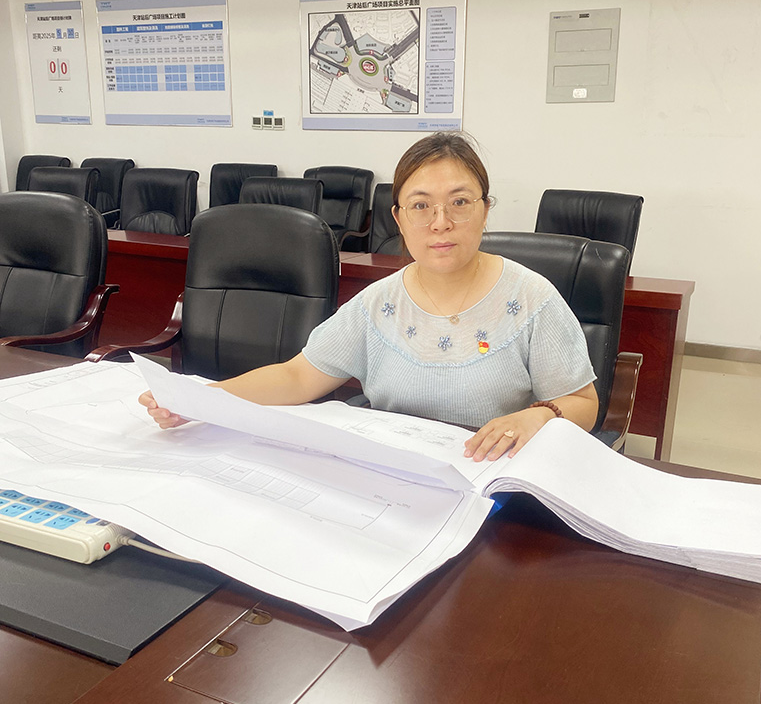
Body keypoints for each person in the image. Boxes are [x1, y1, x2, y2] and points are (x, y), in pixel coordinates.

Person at [140, 132, 598, 461]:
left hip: (494, 480)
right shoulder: (377, 304)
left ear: (485, 210)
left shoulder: (532, 297)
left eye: (460, 202)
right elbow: (297, 377)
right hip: (395, 476)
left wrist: (538, 418)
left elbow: (585, 404)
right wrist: (201, 399)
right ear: (399, 219)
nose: (440, 222)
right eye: (421, 206)